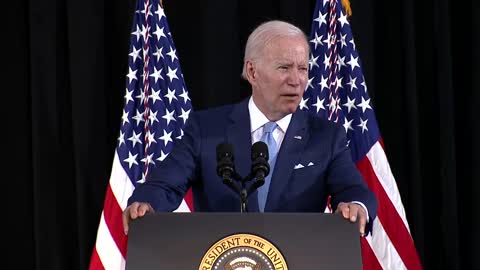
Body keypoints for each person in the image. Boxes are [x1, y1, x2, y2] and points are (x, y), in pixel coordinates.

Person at [122, 20, 378, 236]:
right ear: (252, 72)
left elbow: (354, 190)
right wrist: (146, 204)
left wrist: (356, 206)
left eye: (303, 69)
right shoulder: (207, 129)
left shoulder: (326, 136)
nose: (296, 80)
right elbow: (164, 185)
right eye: (284, 68)